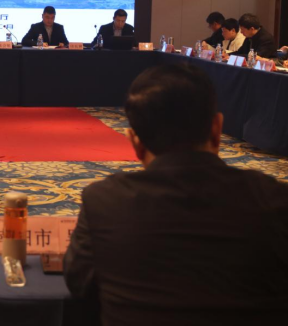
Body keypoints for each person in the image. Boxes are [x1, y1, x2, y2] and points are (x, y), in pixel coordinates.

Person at [64, 63, 288, 326]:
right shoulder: (274, 199)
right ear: (217, 128)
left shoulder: (103, 201)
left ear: (134, 142)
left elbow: (78, 283)